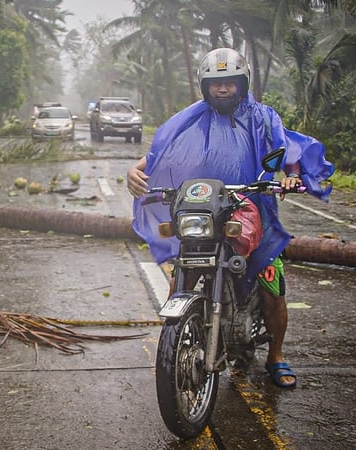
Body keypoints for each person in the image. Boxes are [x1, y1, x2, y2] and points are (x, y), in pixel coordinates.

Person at [127, 48, 334, 389]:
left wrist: (290, 175)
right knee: (183, 266)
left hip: (252, 207)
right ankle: (180, 334)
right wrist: (133, 172)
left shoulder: (263, 118)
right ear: (204, 86)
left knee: (271, 284)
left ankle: (276, 356)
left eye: (229, 83)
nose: (222, 90)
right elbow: (158, 153)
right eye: (215, 84)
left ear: (242, 83)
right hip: (203, 208)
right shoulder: (189, 119)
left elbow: (287, 151)